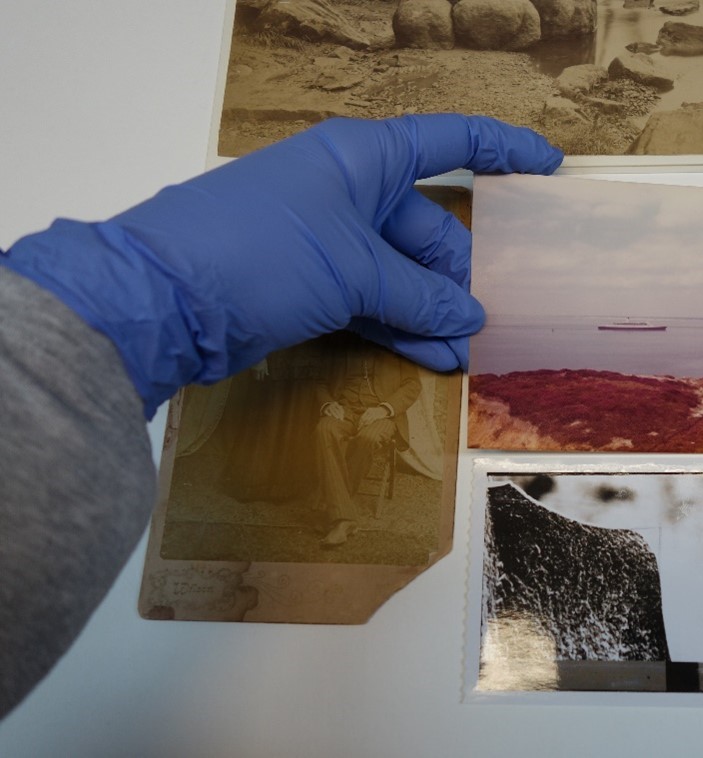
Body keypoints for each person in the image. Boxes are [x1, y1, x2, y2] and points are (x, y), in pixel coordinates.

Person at [0, 114, 563, 719]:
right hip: (334, 407)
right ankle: (340, 514)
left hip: (376, 409)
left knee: (355, 425)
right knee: (323, 425)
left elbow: (398, 396)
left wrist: (136, 299)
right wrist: (140, 305)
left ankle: (341, 506)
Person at [314, 335, 422, 547]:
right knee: (324, 429)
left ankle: (335, 509)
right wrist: (327, 404)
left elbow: (412, 385)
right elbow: (319, 381)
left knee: (368, 438)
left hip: (382, 413)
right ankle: (345, 519)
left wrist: (383, 409)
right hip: (345, 409)